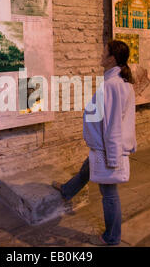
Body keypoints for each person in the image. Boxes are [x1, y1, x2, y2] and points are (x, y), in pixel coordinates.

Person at [52, 40, 137, 246]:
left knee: (108, 193)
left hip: (107, 149)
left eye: (104, 52)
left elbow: (113, 126)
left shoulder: (112, 85)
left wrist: (113, 158)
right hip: (105, 147)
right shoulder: (120, 82)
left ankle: (112, 237)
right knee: (87, 168)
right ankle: (67, 190)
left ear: (112, 59)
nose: (101, 54)